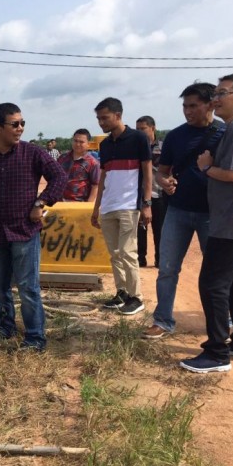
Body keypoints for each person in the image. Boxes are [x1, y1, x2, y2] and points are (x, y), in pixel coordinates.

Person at [0, 103, 67, 351]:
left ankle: (34, 337)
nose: (20, 128)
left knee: (28, 288)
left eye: (22, 123)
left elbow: (60, 176)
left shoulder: (32, 153)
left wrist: (41, 202)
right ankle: (5, 327)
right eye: (14, 124)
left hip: (24, 232)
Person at [180, 73, 233, 373]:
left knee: (212, 284)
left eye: (222, 92)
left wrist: (207, 166)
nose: (216, 99)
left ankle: (216, 352)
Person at [142, 83, 226, 340]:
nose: (187, 111)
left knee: (218, 271)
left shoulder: (226, 133)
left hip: (214, 213)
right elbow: (162, 172)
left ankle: (226, 319)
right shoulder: (176, 136)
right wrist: (164, 183)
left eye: (193, 105)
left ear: (211, 104)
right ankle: (163, 320)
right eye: (184, 106)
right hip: (177, 211)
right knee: (167, 267)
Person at [91, 97, 152, 315]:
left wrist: (146, 203)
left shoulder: (138, 139)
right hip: (108, 205)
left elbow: (147, 171)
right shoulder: (105, 145)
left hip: (129, 205)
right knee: (114, 253)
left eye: (104, 118)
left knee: (127, 252)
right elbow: (103, 177)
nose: (101, 122)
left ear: (118, 115)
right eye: (98, 118)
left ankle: (137, 297)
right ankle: (122, 293)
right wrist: (96, 207)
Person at [135, 116, 165, 268]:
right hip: (140, 194)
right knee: (140, 229)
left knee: (160, 229)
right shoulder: (135, 147)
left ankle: (160, 259)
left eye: (143, 129)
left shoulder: (163, 146)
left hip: (159, 194)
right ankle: (140, 259)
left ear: (153, 128)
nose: (139, 132)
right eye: (137, 129)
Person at [57, 128, 100, 202]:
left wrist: (88, 205)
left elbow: (95, 186)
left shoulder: (93, 163)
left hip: (79, 203)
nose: (77, 144)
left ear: (88, 144)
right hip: (59, 202)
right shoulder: (62, 158)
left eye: (81, 142)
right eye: (75, 141)